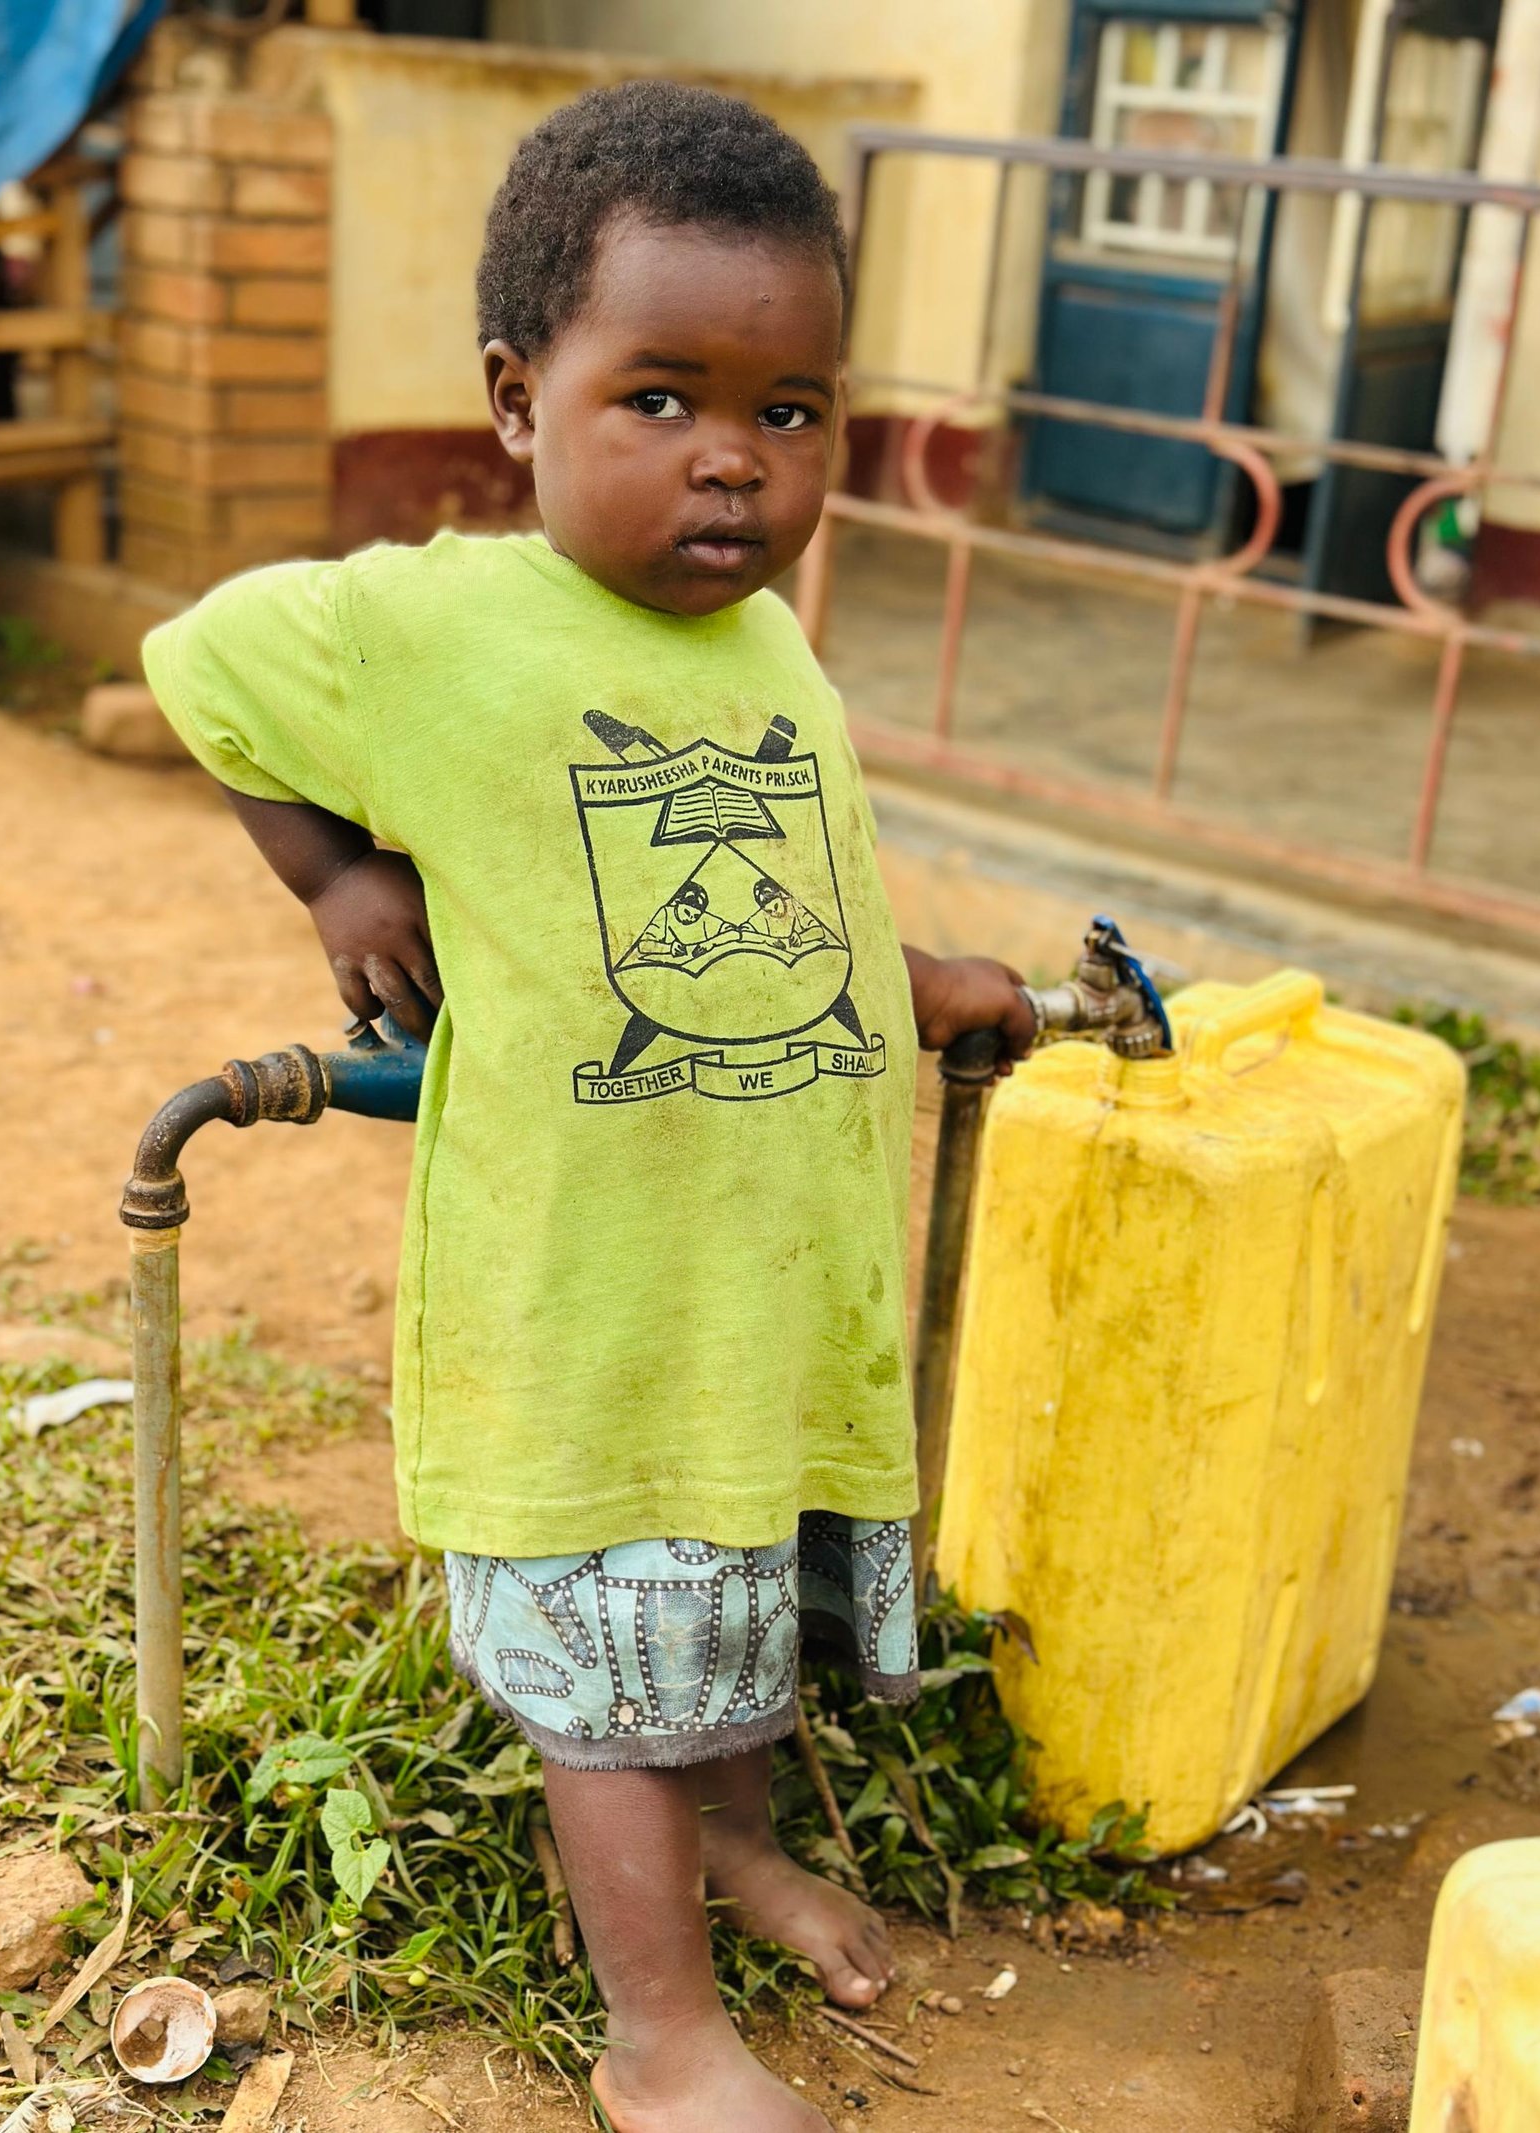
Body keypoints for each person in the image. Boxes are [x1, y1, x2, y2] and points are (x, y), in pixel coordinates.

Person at [141, 81, 1035, 2133]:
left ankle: (736, 1848)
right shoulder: (435, 625)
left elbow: (757, 896)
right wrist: (339, 872)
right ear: (515, 400)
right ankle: (662, 2036)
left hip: (759, 1275)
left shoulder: (772, 646)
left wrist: (915, 979)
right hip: (586, 1292)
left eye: (787, 409)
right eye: (657, 397)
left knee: (719, 1599)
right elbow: (199, 657)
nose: (730, 457)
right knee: (607, 1678)